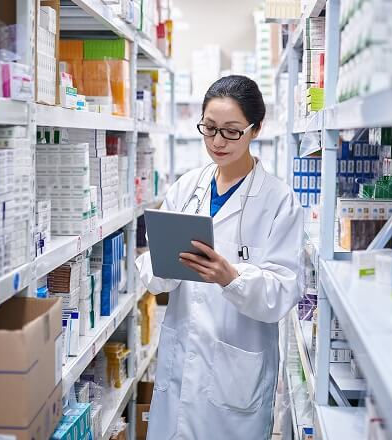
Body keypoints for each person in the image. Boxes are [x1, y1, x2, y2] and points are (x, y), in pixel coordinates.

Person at [136, 75, 304, 439]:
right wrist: (163, 264)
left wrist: (232, 278)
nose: (217, 142)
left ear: (256, 129)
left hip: (236, 375)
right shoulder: (186, 187)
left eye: (231, 131)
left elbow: (282, 294)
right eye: (209, 128)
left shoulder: (279, 201)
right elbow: (154, 271)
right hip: (182, 363)